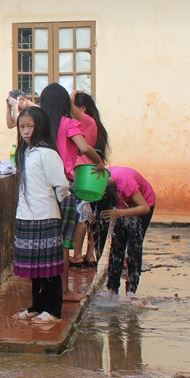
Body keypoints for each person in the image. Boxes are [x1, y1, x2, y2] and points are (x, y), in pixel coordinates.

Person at [39, 83, 105, 302]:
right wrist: (99, 163)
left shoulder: (40, 125)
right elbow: (85, 148)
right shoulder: (68, 124)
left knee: (44, 239)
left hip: (42, 187)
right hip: (65, 187)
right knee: (64, 242)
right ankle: (64, 291)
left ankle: (42, 290)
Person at [10, 107, 69, 323]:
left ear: (40, 127)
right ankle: (37, 306)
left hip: (45, 214)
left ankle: (53, 310)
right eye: (22, 127)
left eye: (30, 126)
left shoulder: (47, 154)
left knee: (49, 267)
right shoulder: (24, 153)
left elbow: (61, 184)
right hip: (26, 215)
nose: (25, 131)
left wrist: (56, 202)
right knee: (36, 266)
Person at [92, 166, 157, 308]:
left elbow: (144, 208)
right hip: (121, 208)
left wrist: (121, 213)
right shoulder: (99, 181)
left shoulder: (126, 182)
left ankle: (131, 292)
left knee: (134, 246)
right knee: (116, 245)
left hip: (143, 204)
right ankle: (112, 290)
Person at [70, 91, 110, 267]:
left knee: (82, 215)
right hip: (94, 174)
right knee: (91, 215)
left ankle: (77, 255)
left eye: (76, 109)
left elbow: (68, 107)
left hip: (84, 173)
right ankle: (90, 254)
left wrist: (71, 95)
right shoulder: (96, 126)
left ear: (83, 108)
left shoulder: (87, 121)